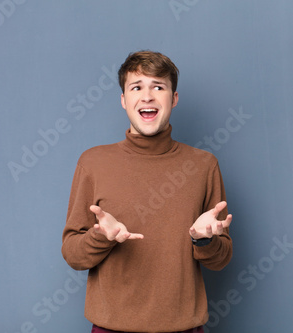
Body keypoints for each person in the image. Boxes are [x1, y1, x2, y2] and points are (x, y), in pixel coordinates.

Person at [61, 50, 233, 333]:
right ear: (123, 100)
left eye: (158, 86)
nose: (147, 96)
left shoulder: (204, 166)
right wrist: (101, 237)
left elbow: (221, 259)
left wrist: (203, 241)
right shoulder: (93, 163)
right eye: (136, 87)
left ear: (174, 99)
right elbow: (73, 255)